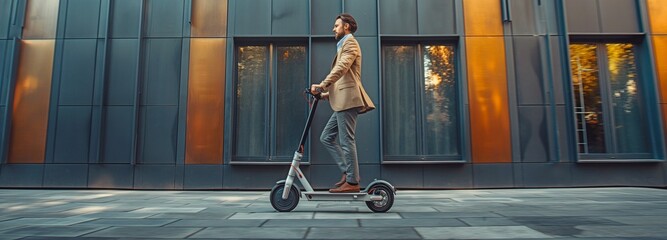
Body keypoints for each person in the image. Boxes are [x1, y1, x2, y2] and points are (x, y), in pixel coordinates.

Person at [310, 13, 375, 193]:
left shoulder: (350, 43)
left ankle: (352, 182)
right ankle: (348, 172)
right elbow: (343, 80)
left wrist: (322, 84)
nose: (333, 28)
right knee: (326, 137)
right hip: (342, 101)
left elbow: (342, 68)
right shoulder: (343, 45)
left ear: (346, 26)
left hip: (349, 100)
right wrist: (323, 95)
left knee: (347, 141)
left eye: (336, 25)